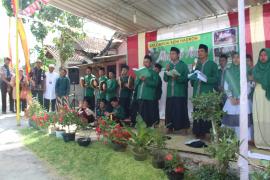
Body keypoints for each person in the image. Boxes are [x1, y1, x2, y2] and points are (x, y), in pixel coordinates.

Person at [222, 52, 253, 140]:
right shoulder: (228, 71)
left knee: (242, 121)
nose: (236, 59)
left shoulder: (245, 70)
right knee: (231, 121)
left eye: (238, 57)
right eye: (234, 57)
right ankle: (230, 141)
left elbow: (248, 85)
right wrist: (231, 98)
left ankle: (243, 141)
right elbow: (226, 86)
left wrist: (242, 97)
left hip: (243, 100)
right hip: (231, 101)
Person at [191, 44, 218, 138]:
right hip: (196, 94)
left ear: (206, 53)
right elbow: (192, 82)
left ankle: (206, 133)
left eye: (202, 51)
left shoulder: (212, 64)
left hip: (206, 95)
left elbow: (215, 79)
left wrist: (206, 79)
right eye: (198, 51)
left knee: (205, 115)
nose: (199, 53)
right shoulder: (197, 65)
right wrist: (192, 72)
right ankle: (197, 133)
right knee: (197, 114)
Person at [164, 47, 190, 133]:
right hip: (170, 93)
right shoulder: (169, 65)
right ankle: (170, 127)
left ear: (178, 55)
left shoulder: (183, 65)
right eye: (170, 54)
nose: (171, 55)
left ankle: (182, 128)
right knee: (170, 111)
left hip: (180, 93)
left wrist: (177, 77)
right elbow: (165, 79)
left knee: (179, 110)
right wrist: (166, 70)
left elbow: (187, 78)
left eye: (173, 53)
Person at [253, 48, 270, 149]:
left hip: (268, 95)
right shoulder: (256, 68)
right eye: (261, 55)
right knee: (259, 116)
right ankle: (260, 142)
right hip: (258, 93)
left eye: (265, 55)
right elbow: (254, 77)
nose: (263, 57)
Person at [136, 55, 159, 127]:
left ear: (150, 63)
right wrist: (139, 78)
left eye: (147, 62)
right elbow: (136, 84)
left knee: (148, 115)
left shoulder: (154, 73)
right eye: (144, 62)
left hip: (149, 97)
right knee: (141, 115)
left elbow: (155, 84)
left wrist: (146, 80)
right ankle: (142, 129)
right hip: (140, 96)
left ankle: (149, 129)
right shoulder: (140, 72)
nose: (145, 63)